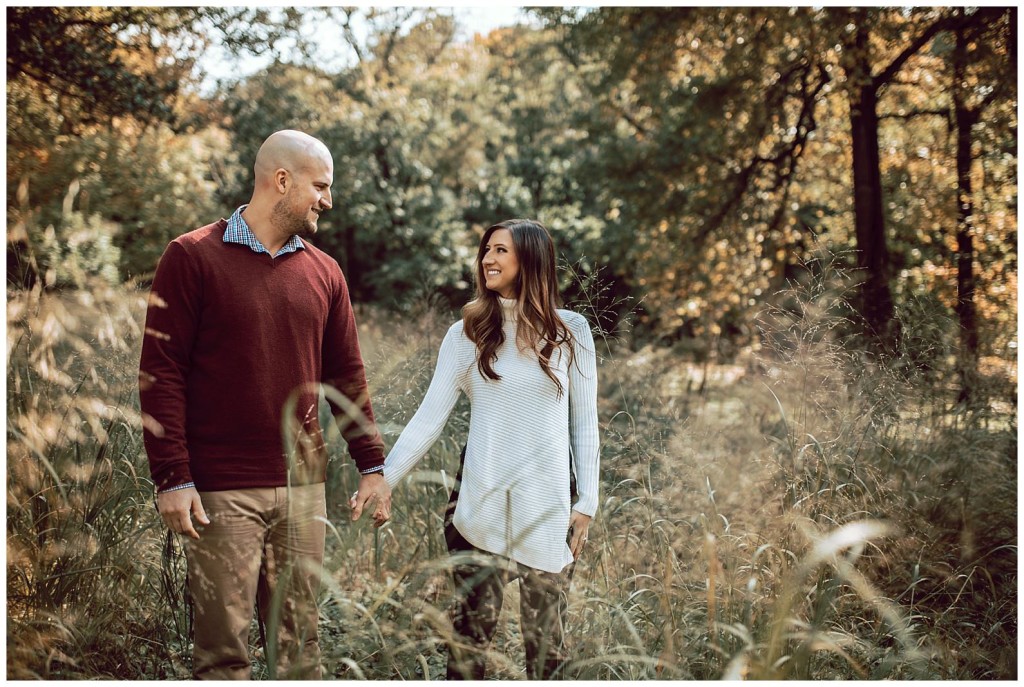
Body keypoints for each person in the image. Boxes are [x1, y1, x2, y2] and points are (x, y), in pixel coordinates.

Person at [139, 129, 392, 680]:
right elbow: (162, 374)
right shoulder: (191, 257)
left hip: (305, 491)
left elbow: (347, 376)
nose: (328, 200)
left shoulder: (325, 273)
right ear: (282, 180)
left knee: (299, 650)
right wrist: (172, 476)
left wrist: (372, 465)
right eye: (320, 187)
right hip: (220, 491)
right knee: (222, 656)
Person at [378, 219, 600, 679]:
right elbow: (428, 418)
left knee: (546, 649)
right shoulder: (466, 334)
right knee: (467, 647)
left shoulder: (571, 331)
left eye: (500, 250)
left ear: (531, 260)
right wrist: (385, 478)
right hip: (478, 500)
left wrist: (588, 502)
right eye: (486, 250)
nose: (487, 260)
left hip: (549, 504)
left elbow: (584, 423)